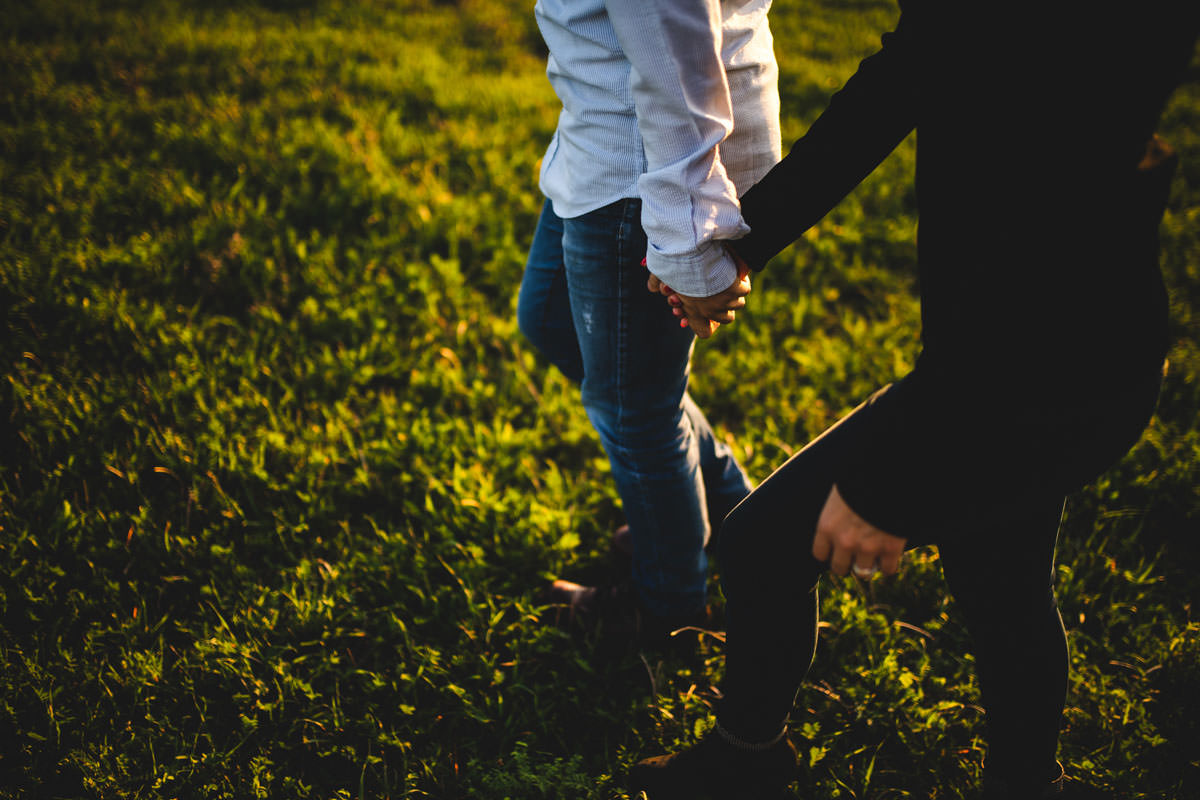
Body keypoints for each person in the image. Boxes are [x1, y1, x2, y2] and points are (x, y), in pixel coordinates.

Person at [630, 0, 1199, 797]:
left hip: (1037, 368)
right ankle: (1024, 783)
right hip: (1042, 360)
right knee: (1000, 570)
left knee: (762, 547)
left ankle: (745, 762)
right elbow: (902, 80)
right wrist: (742, 241)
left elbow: (1043, 244)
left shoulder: (1082, 36)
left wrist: (885, 485)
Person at [518, 0, 782, 639]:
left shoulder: (661, 177)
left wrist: (684, 239)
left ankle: (669, 607)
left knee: (635, 407)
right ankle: (720, 510)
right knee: (551, 320)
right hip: (603, 143)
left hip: (646, 173)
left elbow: (676, 71)